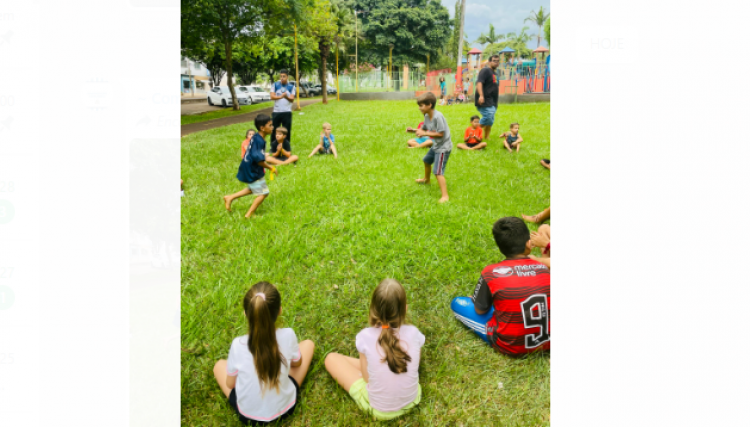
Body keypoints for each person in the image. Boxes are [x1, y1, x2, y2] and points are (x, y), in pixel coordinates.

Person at [213, 282, 315, 426]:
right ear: (279, 311)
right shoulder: (288, 335)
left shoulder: (238, 345)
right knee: (308, 344)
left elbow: (230, 384)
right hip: (286, 409)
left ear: (246, 314)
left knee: (219, 366)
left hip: (248, 416)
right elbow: (297, 363)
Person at [324, 279, 424, 421]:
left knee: (331, 358)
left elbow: (366, 378)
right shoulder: (414, 333)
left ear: (372, 310)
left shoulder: (364, 337)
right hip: (413, 400)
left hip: (380, 409)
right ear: (405, 309)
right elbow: (416, 363)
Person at [450, 217, 551, 356]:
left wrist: (477, 301)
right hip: (548, 341)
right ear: (529, 244)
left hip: (510, 346)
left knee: (457, 303)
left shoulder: (490, 272)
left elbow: (480, 311)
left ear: (500, 247)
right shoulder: (545, 268)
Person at [223, 114, 278, 219]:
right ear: (262, 128)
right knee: (264, 193)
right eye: (270, 125)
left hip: (248, 166)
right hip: (252, 169)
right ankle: (249, 215)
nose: (272, 127)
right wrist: (271, 167)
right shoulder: (260, 140)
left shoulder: (257, 136)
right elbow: (259, 161)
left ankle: (230, 197)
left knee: (252, 188)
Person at [414, 92, 453, 203]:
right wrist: (415, 130)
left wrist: (425, 134)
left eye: (421, 105)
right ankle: (426, 179)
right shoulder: (427, 116)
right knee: (426, 160)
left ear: (429, 105)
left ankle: (445, 196)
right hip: (436, 144)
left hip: (443, 147)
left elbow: (441, 134)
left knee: (438, 171)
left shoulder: (438, 116)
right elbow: (424, 128)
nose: (419, 108)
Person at [475, 55, 500, 142]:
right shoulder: (485, 70)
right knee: (488, 115)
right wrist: (481, 95)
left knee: (491, 119)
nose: (496, 62)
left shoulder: (495, 74)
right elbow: (479, 83)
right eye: (494, 61)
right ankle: (474, 132)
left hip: (492, 101)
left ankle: (487, 136)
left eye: (497, 61)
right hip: (484, 98)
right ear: (489, 62)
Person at [270, 69, 296, 143]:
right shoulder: (275, 85)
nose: (282, 78)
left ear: (287, 77)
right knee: (274, 130)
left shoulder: (291, 87)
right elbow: (272, 96)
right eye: (281, 76)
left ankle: (286, 146)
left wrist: (286, 97)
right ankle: (274, 147)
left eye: (284, 76)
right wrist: (281, 96)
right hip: (276, 112)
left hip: (287, 112)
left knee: (286, 130)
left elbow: (292, 99)